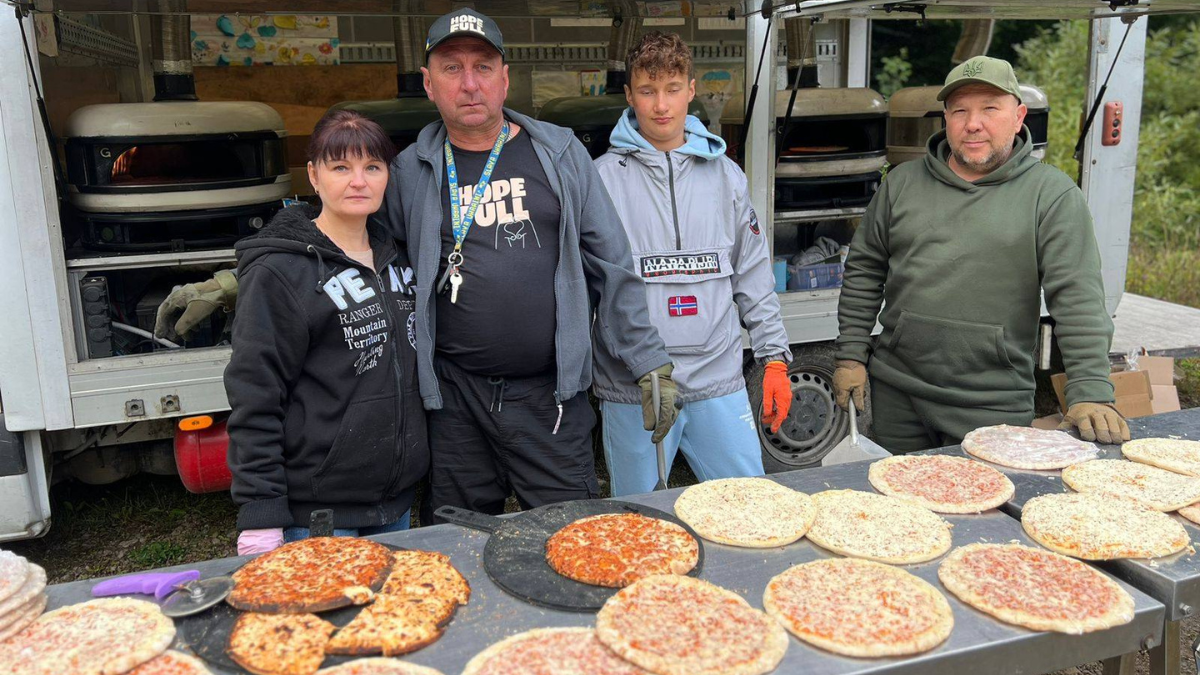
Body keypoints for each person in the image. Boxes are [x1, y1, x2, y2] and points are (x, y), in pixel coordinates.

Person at [380, 9, 677, 516]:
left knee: (570, 538)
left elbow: (613, 264)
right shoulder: (409, 171)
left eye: (484, 68)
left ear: (505, 79)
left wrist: (648, 358)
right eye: (452, 69)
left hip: (550, 399)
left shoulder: (560, 155)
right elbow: (376, 262)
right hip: (456, 402)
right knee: (460, 545)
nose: (470, 84)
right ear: (429, 84)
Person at [832, 56, 1131, 452]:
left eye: (990, 108)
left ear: (1019, 115)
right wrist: (851, 355)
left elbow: (1078, 299)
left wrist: (1090, 389)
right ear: (946, 118)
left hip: (993, 401)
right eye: (960, 111)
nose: (973, 123)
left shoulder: (1051, 196)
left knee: (983, 513)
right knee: (901, 508)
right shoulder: (901, 184)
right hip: (898, 393)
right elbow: (864, 271)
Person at [590, 32, 792, 496]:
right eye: (647, 90)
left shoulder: (726, 176)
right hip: (634, 389)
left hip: (718, 380)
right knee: (641, 525)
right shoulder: (600, 180)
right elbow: (587, 289)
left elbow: (753, 277)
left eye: (673, 88)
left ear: (692, 89)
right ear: (628, 95)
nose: (661, 105)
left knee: (750, 512)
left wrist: (774, 359)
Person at [226, 110, 427, 555]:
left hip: (394, 505)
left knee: (393, 621)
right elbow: (256, 391)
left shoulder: (401, 259)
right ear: (314, 176)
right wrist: (261, 509)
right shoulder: (281, 271)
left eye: (372, 167)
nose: (359, 181)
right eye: (341, 167)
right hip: (318, 515)